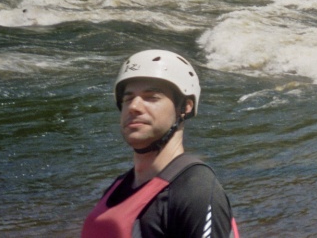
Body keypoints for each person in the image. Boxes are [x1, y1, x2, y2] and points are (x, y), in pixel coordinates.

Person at [82, 49, 239, 238]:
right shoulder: (119, 186)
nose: (134, 107)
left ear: (185, 106)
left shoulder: (196, 191)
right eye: (128, 98)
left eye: (151, 97)